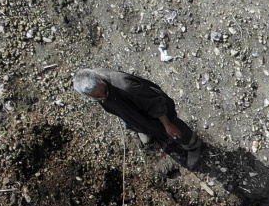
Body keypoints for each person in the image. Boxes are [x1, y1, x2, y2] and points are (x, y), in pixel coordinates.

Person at [72, 68, 201, 165]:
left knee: (175, 128)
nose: (102, 96)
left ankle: (193, 144)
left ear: (100, 80)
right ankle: (144, 129)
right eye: (98, 96)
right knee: (133, 122)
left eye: (103, 91)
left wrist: (167, 124)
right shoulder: (94, 83)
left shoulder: (126, 87)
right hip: (131, 113)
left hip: (156, 110)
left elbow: (156, 104)